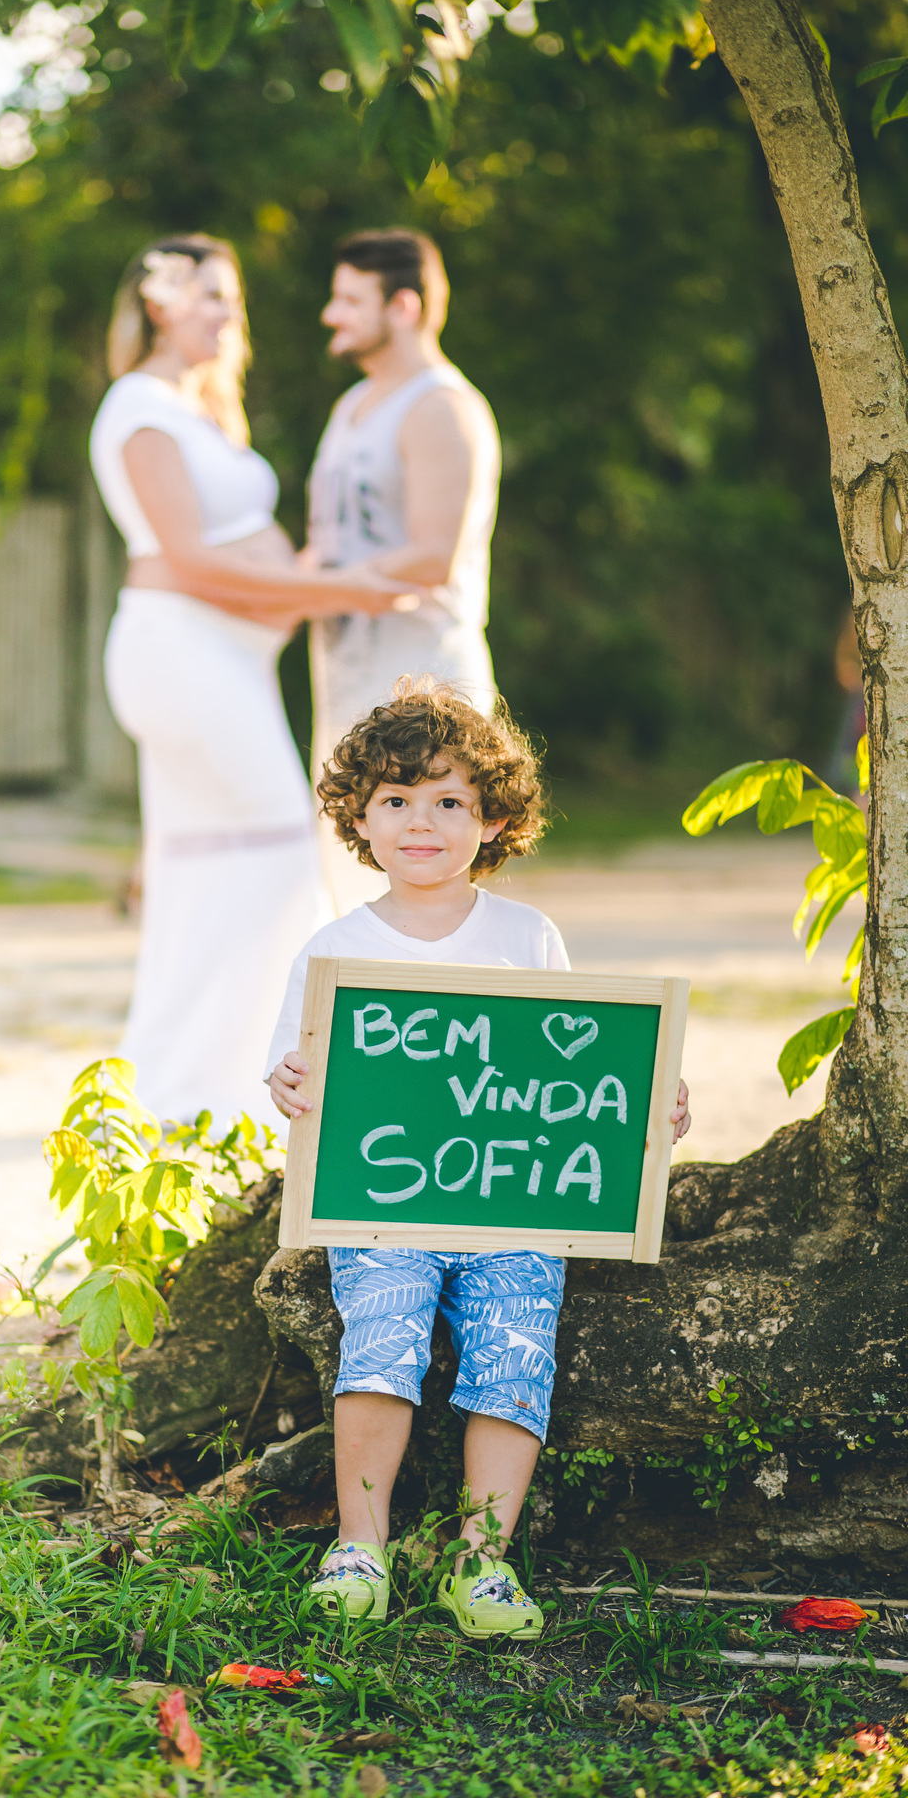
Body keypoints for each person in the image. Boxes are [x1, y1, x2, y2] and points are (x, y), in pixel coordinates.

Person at [265, 683, 691, 1638]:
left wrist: (648, 1102)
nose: (422, 822)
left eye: (449, 800)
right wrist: (286, 1082)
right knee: (380, 1349)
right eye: (396, 799)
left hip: (515, 1212)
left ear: (494, 818)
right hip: (384, 1210)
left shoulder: (527, 937)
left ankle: (481, 1561)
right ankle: (360, 1546)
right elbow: (298, 1072)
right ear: (359, 818)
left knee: (515, 1358)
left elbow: (576, 1066)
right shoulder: (337, 951)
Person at [90, 234, 410, 1130]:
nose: (229, 313)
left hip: (228, 665)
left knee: (204, 873)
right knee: (277, 858)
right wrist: (341, 590)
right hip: (184, 662)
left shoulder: (198, 414)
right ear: (158, 303)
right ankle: (232, 1096)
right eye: (210, 295)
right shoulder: (140, 409)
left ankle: (185, 1102)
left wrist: (317, 577)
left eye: (232, 297)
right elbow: (188, 560)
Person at [306, 230, 504, 911]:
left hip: (426, 687)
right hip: (344, 679)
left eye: (349, 300)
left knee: (425, 890)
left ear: (404, 307)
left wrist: (307, 591)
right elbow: (329, 545)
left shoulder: (441, 406)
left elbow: (432, 555)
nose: (331, 314)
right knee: (350, 887)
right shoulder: (350, 407)